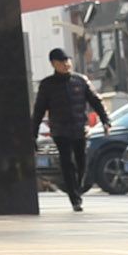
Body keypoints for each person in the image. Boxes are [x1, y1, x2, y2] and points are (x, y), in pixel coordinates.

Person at [33, 47, 108, 212]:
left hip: (80, 128)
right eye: (62, 62)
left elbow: (96, 101)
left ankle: (77, 187)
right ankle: (75, 198)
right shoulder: (47, 85)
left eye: (68, 61)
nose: (66, 64)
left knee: (81, 163)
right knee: (67, 163)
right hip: (60, 130)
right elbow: (39, 110)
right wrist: (33, 133)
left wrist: (105, 120)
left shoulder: (81, 81)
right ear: (54, 64)